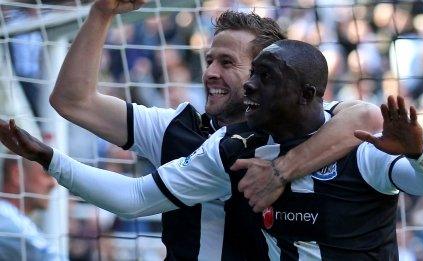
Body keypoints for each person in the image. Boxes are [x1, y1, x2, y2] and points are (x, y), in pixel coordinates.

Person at [0, 40, 423, 259]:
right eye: (250, 71)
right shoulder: (231, 145)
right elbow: (136, 198)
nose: (248, 84)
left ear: (306, 93)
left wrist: (420, 153)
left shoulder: (358, 142)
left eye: (261, 75)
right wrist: (49, 159)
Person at [48, 0, 382, 259]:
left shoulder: (294, 130)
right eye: (209, 60)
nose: (210, 72)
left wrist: (281, 170)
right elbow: (72, 101)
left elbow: (365, 116)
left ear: (267, 74)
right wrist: (101, 14)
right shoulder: (172, 128)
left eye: (227, 63)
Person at [0, 156, 58, 260]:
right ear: (17, 175)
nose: (54, 184)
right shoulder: (7, 225)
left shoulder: (17, 223)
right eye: (47, 174)